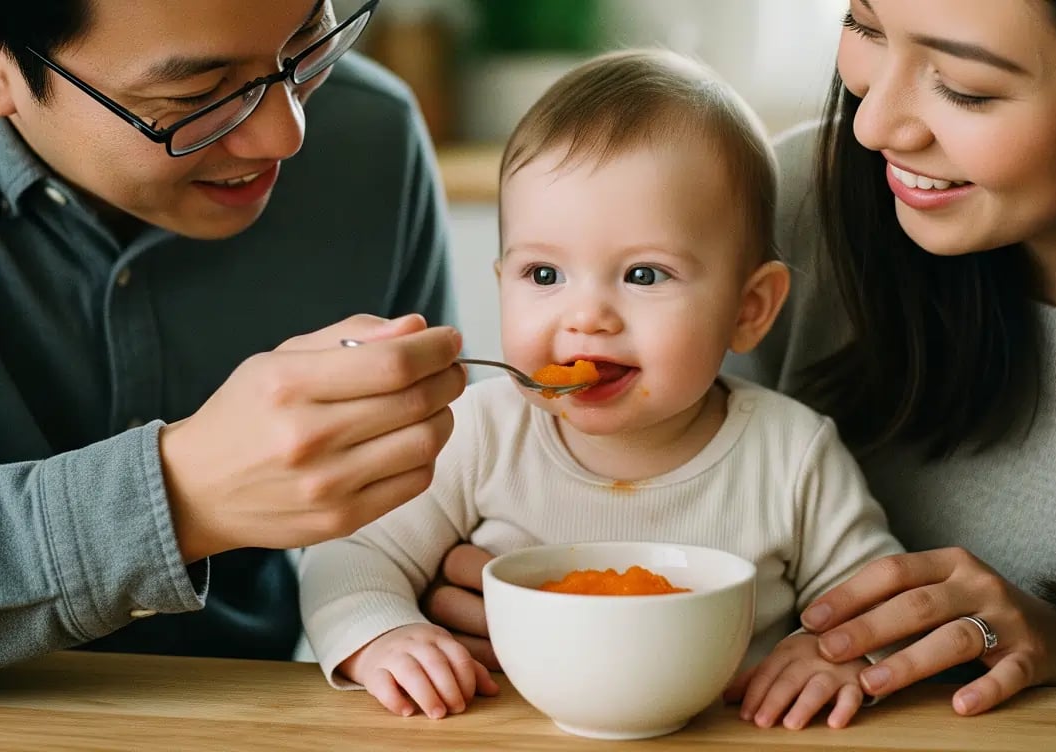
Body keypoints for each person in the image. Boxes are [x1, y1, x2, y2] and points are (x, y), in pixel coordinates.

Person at [423, 0, 1056, 718]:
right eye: (865, 26)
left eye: (965, 87)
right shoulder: (796, 200)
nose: (872, 125)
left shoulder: (791, 427)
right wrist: (420, 608)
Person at [298, 49, 907, 731]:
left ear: (749, 309)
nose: (585, 317)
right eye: (544, 275)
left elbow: (877, 607)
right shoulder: (475, 432)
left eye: (644, 275)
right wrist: (385, 635)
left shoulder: (792, 454)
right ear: (501, 282)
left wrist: (839, 654)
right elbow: (351, 557)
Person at [0, 0, 467, 666]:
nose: (286, 135)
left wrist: (440, 588)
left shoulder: (372, 134)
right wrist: (178, 499)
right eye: (195, 94)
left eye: (307, 40)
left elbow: (429, 508)